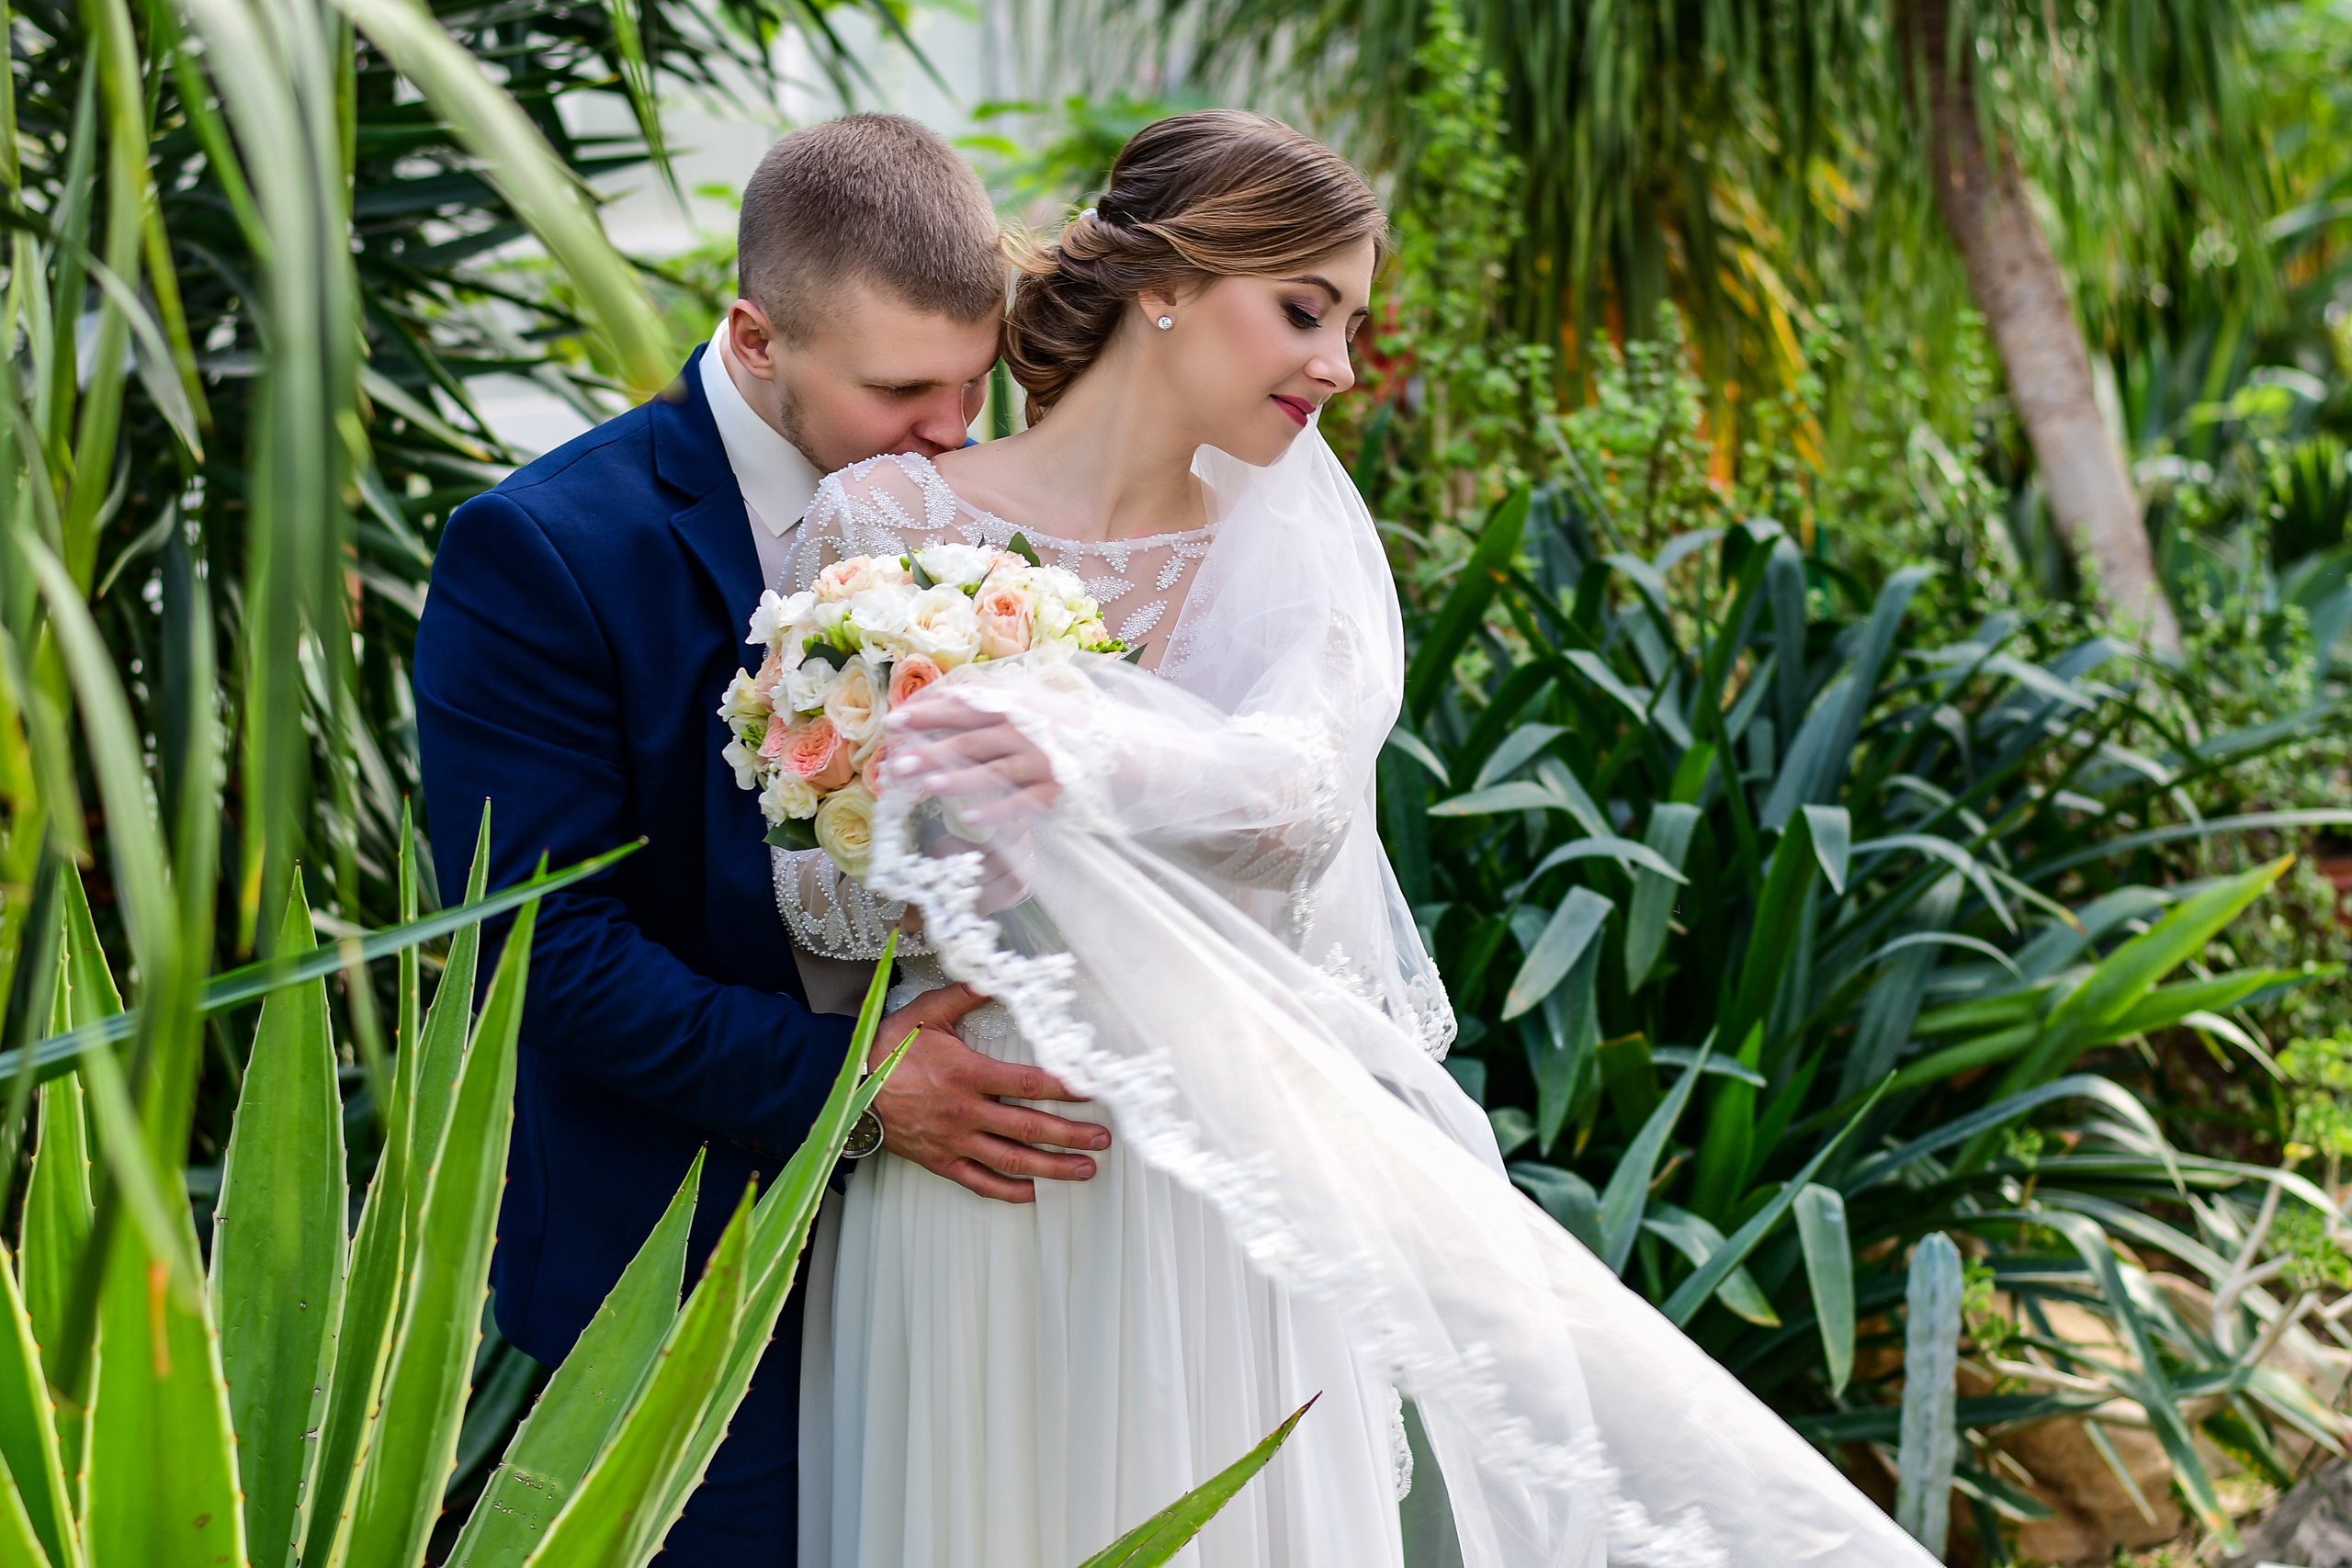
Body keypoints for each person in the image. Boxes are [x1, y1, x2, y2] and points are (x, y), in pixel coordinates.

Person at [778, 110, 1945, 1567]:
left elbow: (1298, 798)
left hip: (1207, 1184)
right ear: (1167, 285)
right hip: (969, 1157)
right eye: (1304, 309)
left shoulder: (1296, 559)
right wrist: (938, 863)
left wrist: (1088, 748)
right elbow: (813, 889)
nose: (1338, 366)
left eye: (1351, 322)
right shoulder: (878, 527)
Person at [412, 114, 1112, 1567]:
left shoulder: (984, 517)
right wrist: (854, 1090)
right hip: (685, 1266)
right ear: (752, 336)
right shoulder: (544, 550)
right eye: (901, 391)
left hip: (975, 1246)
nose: (949, 434)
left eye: (971, 388)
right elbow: (536, 949)